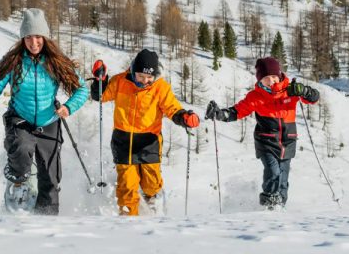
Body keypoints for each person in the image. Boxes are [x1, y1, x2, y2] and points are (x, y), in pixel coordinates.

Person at [0, 8, 88, 215]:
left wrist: (68, 107)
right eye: (28, 37)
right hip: (20, 119)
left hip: (49, 122)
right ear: (23, 38)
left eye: (38, 36)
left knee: (51, 176)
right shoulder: (13, 61)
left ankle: (46, 221)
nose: (34, 42)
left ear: (45, 38)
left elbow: (81, 89)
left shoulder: (56, 62)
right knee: (21, 150)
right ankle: (18, 180)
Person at [90, 49, 200, 216]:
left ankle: (152, 202)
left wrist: (184, 117)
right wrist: (101, 80)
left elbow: (172, 108)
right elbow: (101, 96)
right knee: (127, 184)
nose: (145, 81)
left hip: (150, 141)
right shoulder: (120, 81)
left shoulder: (160, 87)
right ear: (133, 70)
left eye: (149, 77)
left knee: (151, 182)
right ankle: (128, 216)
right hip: (123, 141)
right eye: (140, 76)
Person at [205, 56, 319, 209]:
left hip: (288, 141)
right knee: (273, 171)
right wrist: (220, 114)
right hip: (266, 142)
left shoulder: (290, 90)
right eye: (266, 79)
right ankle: (269, 205)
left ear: (279, 75)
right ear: (260, 80)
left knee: (283, 179)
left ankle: (280, 207)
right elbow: (237, 111)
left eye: (273, 77)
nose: (271, 81)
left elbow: (314, 98)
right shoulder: (256, 96)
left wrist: (305, 91)